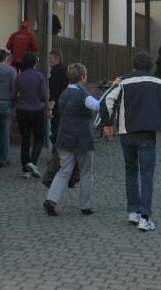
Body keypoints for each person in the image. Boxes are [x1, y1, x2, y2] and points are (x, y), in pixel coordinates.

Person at [105, 51, 161, 232]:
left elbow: (108, 101)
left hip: (126, 132)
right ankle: (145, 218)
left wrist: (108, 123)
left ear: (134, 66)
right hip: (147, 134)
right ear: (150, 66)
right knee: (147, 175)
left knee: (130, 171)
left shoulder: (124, 82)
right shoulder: (158, 82)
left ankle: (133, 212)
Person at [43, 63, 100, 216]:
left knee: (64, 171)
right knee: (86, 172)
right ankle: (85, 206)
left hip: (64, 138)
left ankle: (51, 200)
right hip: (82, 139)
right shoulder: (83, 94)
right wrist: (111, 90)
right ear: (83, 77)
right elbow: (97, 106)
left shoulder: (64, 93)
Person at [13, 52, 49, 179]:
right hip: (36, 110)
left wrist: (19, 103)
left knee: (25, 140)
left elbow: (13, 95)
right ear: (34, 62)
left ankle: (25, 170)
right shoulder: (39, 76)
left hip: (22, 111)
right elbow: (44, 95)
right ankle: (32, 163)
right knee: (39, 138)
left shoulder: (19, 77)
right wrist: (39, 100)